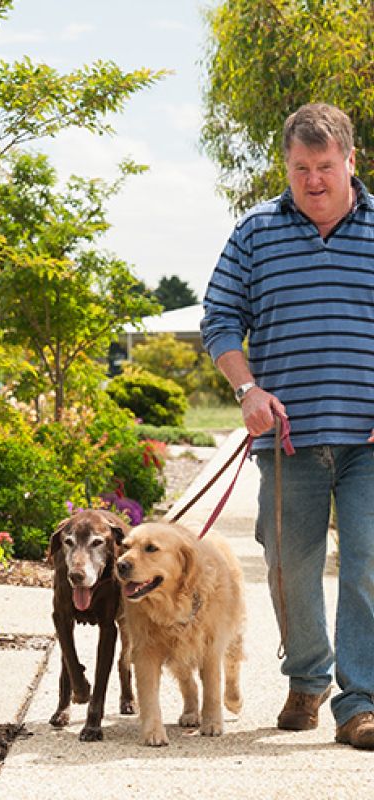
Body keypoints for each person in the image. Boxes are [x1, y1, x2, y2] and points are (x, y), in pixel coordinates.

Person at [201, 102, 374, 750]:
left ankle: (359, 702)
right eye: (300, 168)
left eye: (325, 166)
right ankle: (307, 676)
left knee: (365, 562)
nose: (313, 181)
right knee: (286, 570)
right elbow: (219, 320)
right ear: (287, 166)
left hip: (367, 442)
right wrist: (246, 387)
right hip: (288, 442)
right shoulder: (256, 233)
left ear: (350, 161)